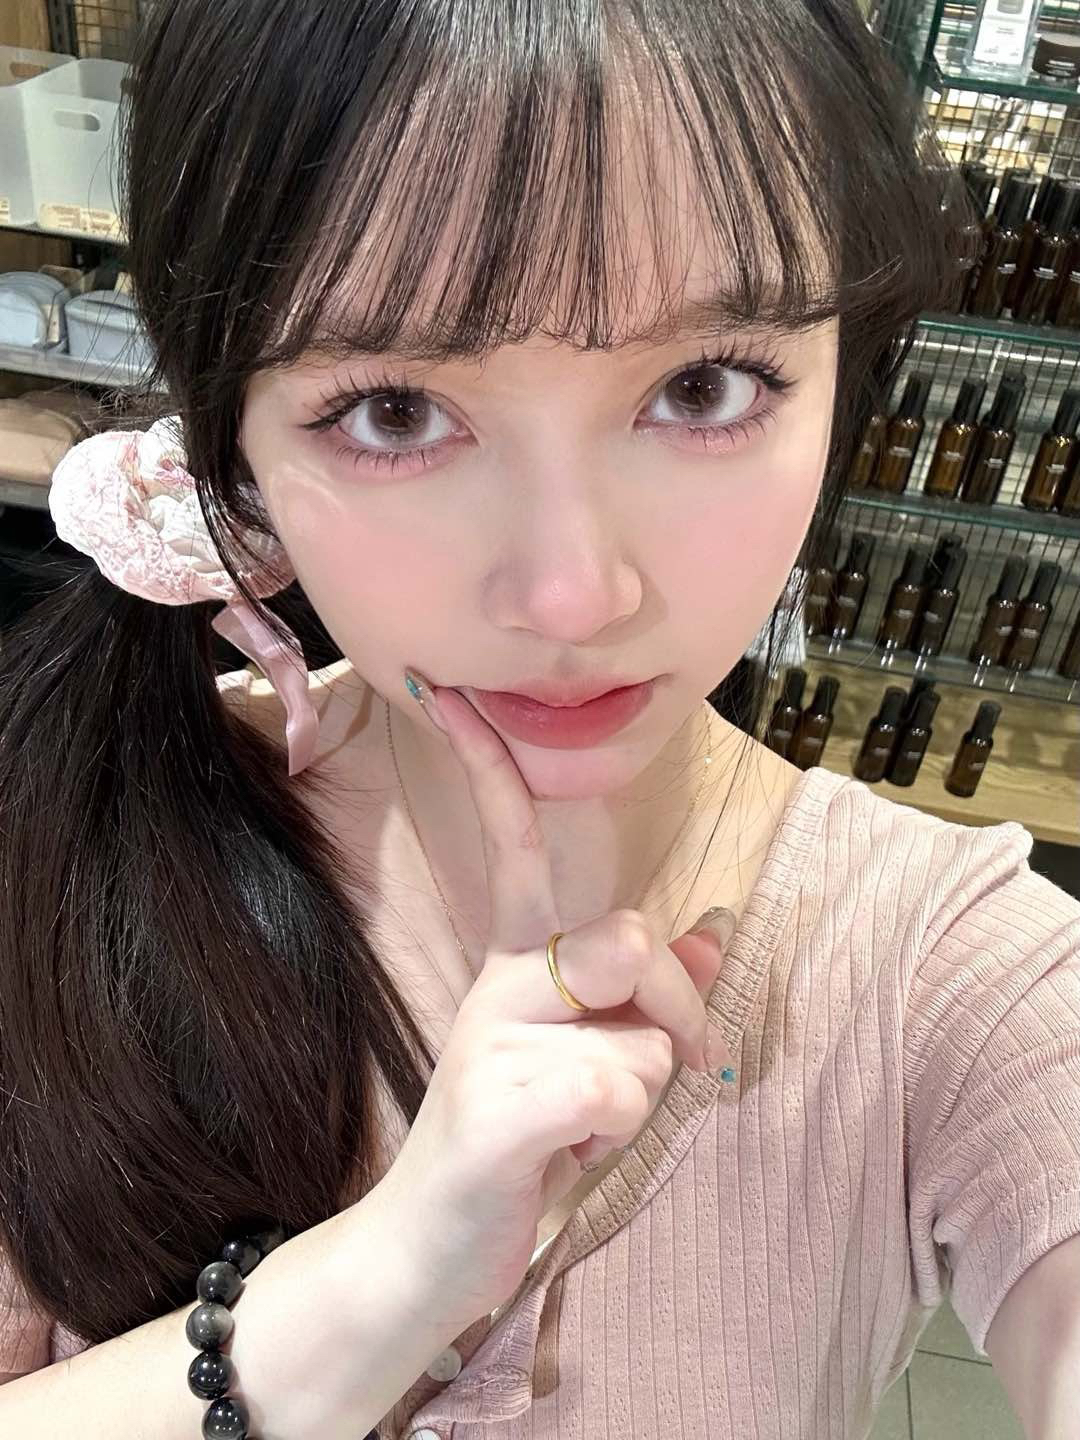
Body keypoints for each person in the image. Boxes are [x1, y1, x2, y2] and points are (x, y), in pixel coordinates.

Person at [1, 0, 1078, 1436]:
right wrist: (391, 1272)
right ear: (231, 439)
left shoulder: (953, 976)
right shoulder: (54, 845)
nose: (574, 594)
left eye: (702, 387)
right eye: (393, 411)